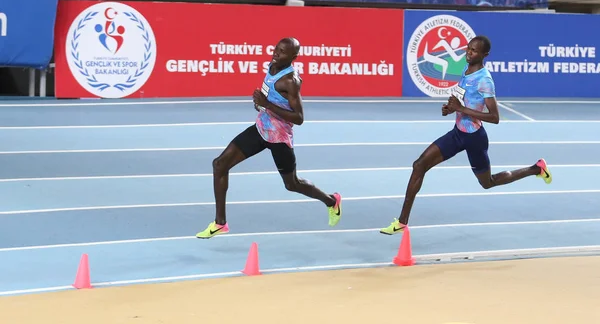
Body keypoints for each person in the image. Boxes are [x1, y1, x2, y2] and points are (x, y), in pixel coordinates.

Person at [380, 35, 552, 235]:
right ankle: (402, 222)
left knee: (488, 183)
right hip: (458, 134)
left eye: (474, 51)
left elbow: (494, 117)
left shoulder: (485, 80)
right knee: (419, 165)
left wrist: (462, 108)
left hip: (474, 139)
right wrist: (451, 108)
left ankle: (535, 169)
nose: (468, 53)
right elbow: (462, 96)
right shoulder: (466, 70)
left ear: (484, 55)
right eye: (468, 49)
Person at [196, 37, 342, 239]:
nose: (276, 53)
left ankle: (331, 201)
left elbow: (299, 118)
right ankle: (220, 223)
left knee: (292, 184)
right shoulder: (273, 66)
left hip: (279, 138)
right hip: (261, 128)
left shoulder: (291, 81)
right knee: (220, 164)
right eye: (276, 49)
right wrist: (261, 104)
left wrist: (266, 103)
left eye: (282, 52)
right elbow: (269, 96)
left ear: (293, 58)